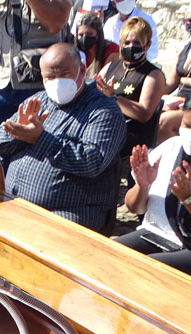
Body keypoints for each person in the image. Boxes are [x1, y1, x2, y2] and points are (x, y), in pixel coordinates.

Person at [0, 43, 126, 233]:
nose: (57, 82)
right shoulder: (38, 100)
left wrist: (41, 139)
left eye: (64, 74)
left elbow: (92, 161)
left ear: (81, 70)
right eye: (50, 77)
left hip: (66, 213)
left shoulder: (104, 111)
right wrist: (16, 133)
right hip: (14, 204)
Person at [0, 0, 73, 128]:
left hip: (38, 83)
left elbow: (56, 22)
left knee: (42, 144)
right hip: (1, 83)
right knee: (3, 144)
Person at [113, 102, 191, 273]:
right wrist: (143, 185)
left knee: (146, 270)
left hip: (186, 245)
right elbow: (134, 207)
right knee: (107, 253)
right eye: (187, 125)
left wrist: (187, 199)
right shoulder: (172, 147)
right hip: (155, 233)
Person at [96, 17, 165, 158]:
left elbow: (144, 114)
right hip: (102, 126)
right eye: (127, 42)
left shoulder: (153, 75)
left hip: (128, 135)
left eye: (136, 43)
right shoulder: (111, 66)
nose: (131, 46)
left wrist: (114, 98)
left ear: (147, 45)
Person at [156, 4, 191, 145]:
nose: (188, 24)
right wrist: (158, 96)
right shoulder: (185, 48)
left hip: (188, 104)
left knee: (164, 122)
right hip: (179, 100)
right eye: (186, 20)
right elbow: (171, 82)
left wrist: (180, 102)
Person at [74, 12, 119, 79]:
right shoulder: (76, 53)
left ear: (98, 35)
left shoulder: (112, 51)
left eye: (90, 34)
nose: (85, 38)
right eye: (81, 35)